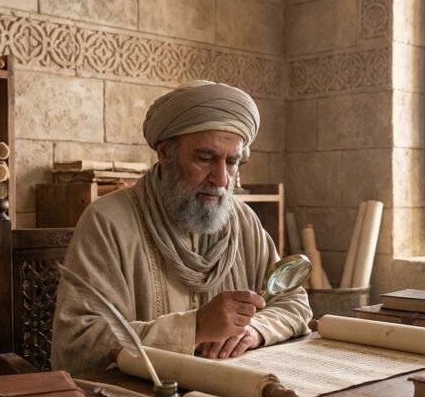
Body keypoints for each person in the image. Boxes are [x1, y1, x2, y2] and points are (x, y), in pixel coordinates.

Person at [51, 81, 312, 375]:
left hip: (229, 390)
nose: (222, 179)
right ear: (165, 153)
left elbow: (294, 303)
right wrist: (195, 327)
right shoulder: (107, 221)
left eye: (232, 162)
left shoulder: (243, 221)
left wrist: (254, 330)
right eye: (205, 158)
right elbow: (79, 342)